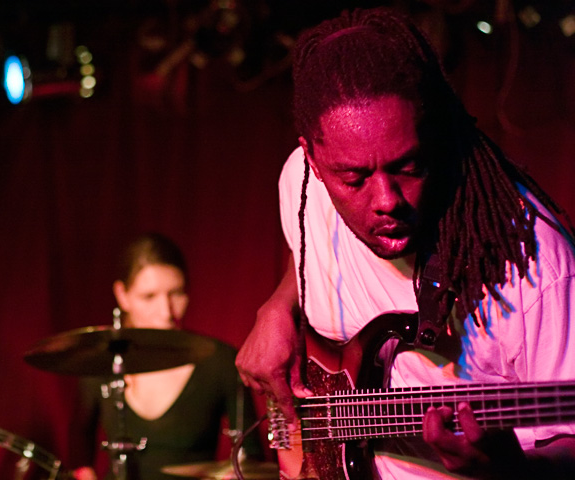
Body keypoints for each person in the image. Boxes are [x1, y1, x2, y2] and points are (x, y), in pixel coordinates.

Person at [235, 7, 575, 480]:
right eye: (353, 178)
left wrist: (515, 471)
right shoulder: (300, 183)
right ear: (312, 157)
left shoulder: (534, 263)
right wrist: (277, 307)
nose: (386, 200)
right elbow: (307, 249)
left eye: (406, 167)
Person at [69, 233, 261, 480]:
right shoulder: (103, 360)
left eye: (177, 293)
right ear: (122, 295)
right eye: (149, 296)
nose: (166, 311)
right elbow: (78, 453)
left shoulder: (219, 361)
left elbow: (252, 456)